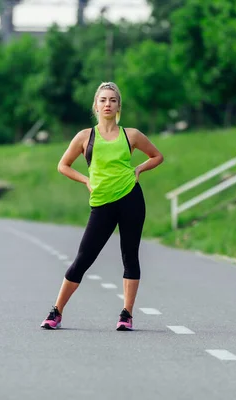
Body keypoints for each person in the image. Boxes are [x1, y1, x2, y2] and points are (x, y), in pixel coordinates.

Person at [40, 82, 164, 331]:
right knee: (83, 258)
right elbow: (63, 165)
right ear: (95, 105)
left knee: (130, 256)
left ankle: (126, 314)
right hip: (101, 204)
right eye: (103, 100)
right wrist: (85, 179)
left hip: (131, 199)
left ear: (119, 106)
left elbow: (157, 156)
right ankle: (56, 311)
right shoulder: (85, 137)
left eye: (113, 100)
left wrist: (138, 168)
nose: (108, 104)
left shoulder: (132, 135)